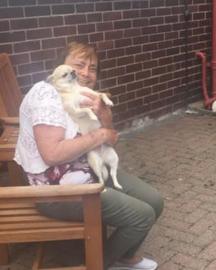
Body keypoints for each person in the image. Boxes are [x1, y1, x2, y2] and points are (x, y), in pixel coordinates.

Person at [14, 41, 164, 270]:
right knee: (142, 216)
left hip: (90, 171)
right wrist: (103, 134)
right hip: (57, 192)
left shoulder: (78, 94)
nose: (85, 73)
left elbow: (109, 134)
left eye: (92, 68)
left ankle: (121, 257)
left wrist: (104, 116)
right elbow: (52, 154)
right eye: (78, 65)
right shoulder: (46, 95)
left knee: (154, 201)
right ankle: (99, 264)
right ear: (59, 67)